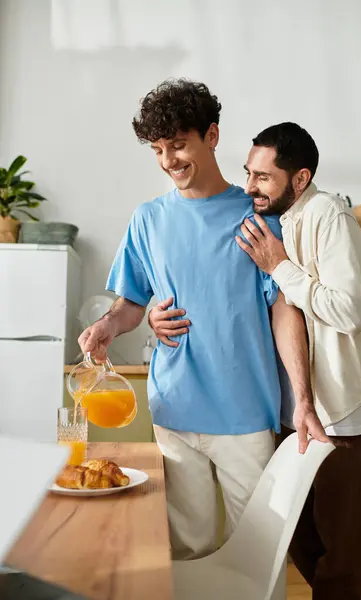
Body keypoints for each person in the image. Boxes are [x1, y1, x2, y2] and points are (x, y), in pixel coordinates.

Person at [78, 80, 328, 561]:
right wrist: (109, 325)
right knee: (188, 554)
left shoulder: (257, 215)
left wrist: (302, 399)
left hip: (245, 412)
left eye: (178, 144)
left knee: (256, 555)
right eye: (158, 149)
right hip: (174, 409)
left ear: (211, 136)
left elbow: (283, 309)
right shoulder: (148, 219)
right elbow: (132, 300)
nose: (169, 159)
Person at [155, 121, 361, 597]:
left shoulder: (329, 217)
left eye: (263, 177)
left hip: (340, 416)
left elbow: (350, 309)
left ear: (299, 179)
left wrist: (279, 267)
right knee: (301, 551)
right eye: (248, 173)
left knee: (340, 567)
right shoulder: (279, 219)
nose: (249, 186)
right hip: (292, 416)